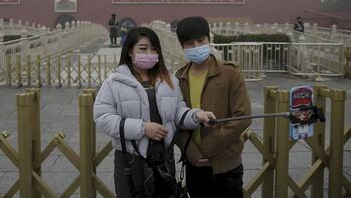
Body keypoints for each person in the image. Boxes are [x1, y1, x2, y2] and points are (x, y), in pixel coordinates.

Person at [93, 27, 215, 197]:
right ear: (129, 51)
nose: (149, 53)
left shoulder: (169, 80)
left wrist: (196, 115)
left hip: (163, 157)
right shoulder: (114, 82)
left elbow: (178, 112)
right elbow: (102, 117)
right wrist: (143, 128)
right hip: (131, 159)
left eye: (154, 49)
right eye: (143, 49)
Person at [175, 16, 252, 198]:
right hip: (195, 164)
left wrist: (205, 149)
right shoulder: (179, 78)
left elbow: (242, 116)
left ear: (209, 39)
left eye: (200, 41)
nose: (196, 47)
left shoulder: (230, 73)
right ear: (182, 46)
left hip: (226, 163)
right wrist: (190, 151)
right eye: (189, 43)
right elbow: (174, 117)